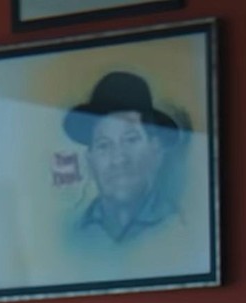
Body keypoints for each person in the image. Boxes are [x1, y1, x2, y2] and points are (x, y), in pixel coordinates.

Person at [63, 70, 189, 247]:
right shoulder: (73, 233)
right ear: (90, 161)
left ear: (155, 150)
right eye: (104, 145)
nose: (118, 159)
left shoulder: (178, 229)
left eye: (130, 140)